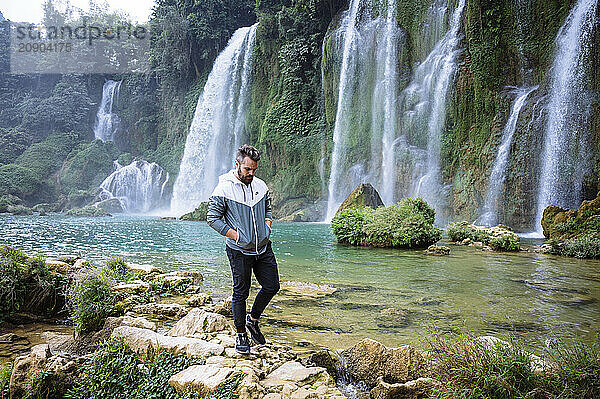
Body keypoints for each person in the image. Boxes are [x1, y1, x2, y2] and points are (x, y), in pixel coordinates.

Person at [206, 144, 280, 354]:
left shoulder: (260, 185)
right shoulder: (224, 189)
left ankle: (252, 320)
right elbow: (212, 218)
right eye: (247, 169)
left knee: (272, 286)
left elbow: (267, 206)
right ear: (237, 164)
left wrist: (267, 223)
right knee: (241, 292)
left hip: (263, 247)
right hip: (239, 251)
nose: (251, 173)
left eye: (254, 170)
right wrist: (236, 236)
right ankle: (240, 334)